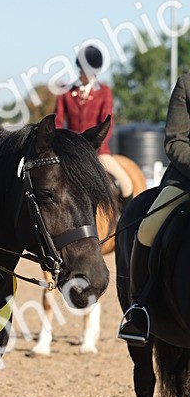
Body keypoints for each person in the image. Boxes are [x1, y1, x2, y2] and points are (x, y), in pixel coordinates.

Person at [118, 73, 190, 345]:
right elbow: (175, 140)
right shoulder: (186, 85)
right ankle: (140, 309)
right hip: (185, 178)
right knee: (148, 228)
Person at [54, 43, 133, 203]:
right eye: (85, 71)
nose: (88, 75)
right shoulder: (66, 93)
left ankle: (124, 222)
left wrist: (93, 146)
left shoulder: (104, 93)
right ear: (80, 70)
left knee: (126, 185)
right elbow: (57, 122)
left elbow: (106, 124)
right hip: (72, 152)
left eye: (91, 72)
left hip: (98, 151)